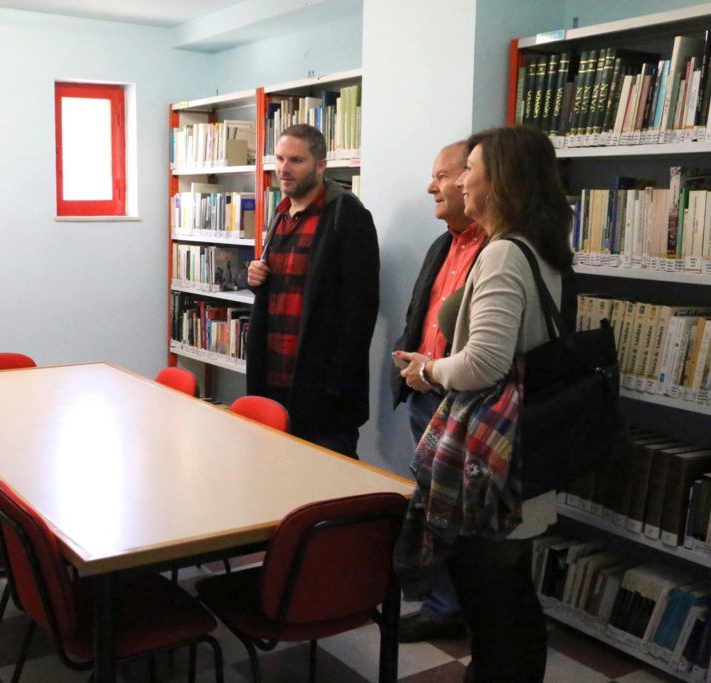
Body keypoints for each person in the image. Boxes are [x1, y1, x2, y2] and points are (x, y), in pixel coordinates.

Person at [395, 125, 574, 682]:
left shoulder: (501, 254)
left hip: (491, 458)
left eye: (468, 168)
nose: (459, 180)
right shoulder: (541, 249)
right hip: (525, 450)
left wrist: (425, 371)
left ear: (499, 182)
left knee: (491, 601)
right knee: (513, 599)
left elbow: (483, 364)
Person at [389, 141, 485, 642]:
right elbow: (419, 310)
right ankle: (438, 602)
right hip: (424, 394)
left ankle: (452, 608)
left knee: (457, 513)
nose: (433, 187)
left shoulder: (498, 251)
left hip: (464, 403)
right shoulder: (442, 243)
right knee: (431, 505)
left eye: (444, 175)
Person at [246, 124, 379, 458]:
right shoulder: (280, 215)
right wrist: (257, 279)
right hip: (275, 375)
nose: (284, 169)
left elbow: (361, 308)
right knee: (278, 474)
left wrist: (338, 383)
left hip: (322, 386)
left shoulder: (347, 215)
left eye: (296, 160)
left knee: (331, 483)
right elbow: (284, 290)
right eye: (279, 159)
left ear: (321, 166)